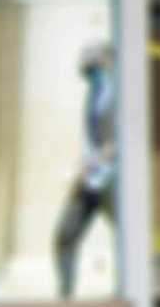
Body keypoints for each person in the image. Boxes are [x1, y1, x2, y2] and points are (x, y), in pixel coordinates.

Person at [54, 41, 118, 300]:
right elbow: (92, 140)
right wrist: (83, 167)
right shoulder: (93, 93)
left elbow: (126, 138)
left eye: (94, 65)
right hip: (91, 178)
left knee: (128, 239)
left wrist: (103, 156)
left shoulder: (124, 93)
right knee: (65, 235)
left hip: (116, 179)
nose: (90, 72)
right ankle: (65, 294)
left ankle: (128, 289)